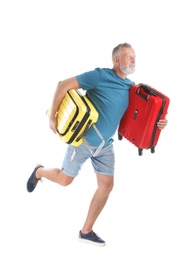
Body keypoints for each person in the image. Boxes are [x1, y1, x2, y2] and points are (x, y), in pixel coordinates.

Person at [27, 43, 168, 246]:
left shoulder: (133, 88)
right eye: (129, 57)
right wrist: (53, 116)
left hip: (106, 146)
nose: (133, 60)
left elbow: (144, 116)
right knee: (65, 180)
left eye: (134, 57)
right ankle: (39, 172)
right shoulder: (100, 76)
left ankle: (86, 231)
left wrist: (160, 122)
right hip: (83, 140)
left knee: (106, 185)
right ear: (116, 60)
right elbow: (62, 84)